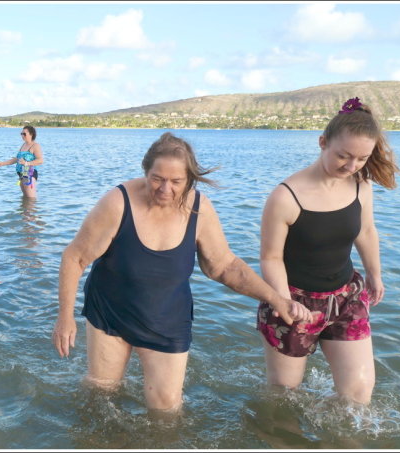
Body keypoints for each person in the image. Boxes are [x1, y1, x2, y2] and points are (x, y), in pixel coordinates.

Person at [51, 132, 312, 415]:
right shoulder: (117, 203)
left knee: (166, 410)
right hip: (110, 311)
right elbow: (74, 257)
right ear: (145, 171)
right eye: (156, 178)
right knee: (101, 395)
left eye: (176, 181)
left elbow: (224, 266)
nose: (165, 189)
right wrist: (65, 318)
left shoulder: (200, 210)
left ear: (190, 179)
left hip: (166, 319)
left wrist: (277, 299)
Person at [257, 97, 399, 405]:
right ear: (322, 142)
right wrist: (284, 301)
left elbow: (365, 230)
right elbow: (270, 257)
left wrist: (375, 274)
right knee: (284, 397)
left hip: (347, 296)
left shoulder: (361, 183)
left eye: (361, 159)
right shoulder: (285, 197)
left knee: (359, 393)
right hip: (294, 302)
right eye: (343, 156)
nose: (351, 166)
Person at [0, 125, 44, 199]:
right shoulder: (23, 145)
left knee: (31, 199)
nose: (22, 135)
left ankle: (32, 210)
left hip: (29, 173)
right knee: (25, 199)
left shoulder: (35, 146)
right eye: (21, 134)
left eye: (24, 134)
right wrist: (2, 163)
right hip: (22, 174)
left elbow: (40, 160)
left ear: (31, 134)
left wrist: (26, 163)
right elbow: (17, 159)